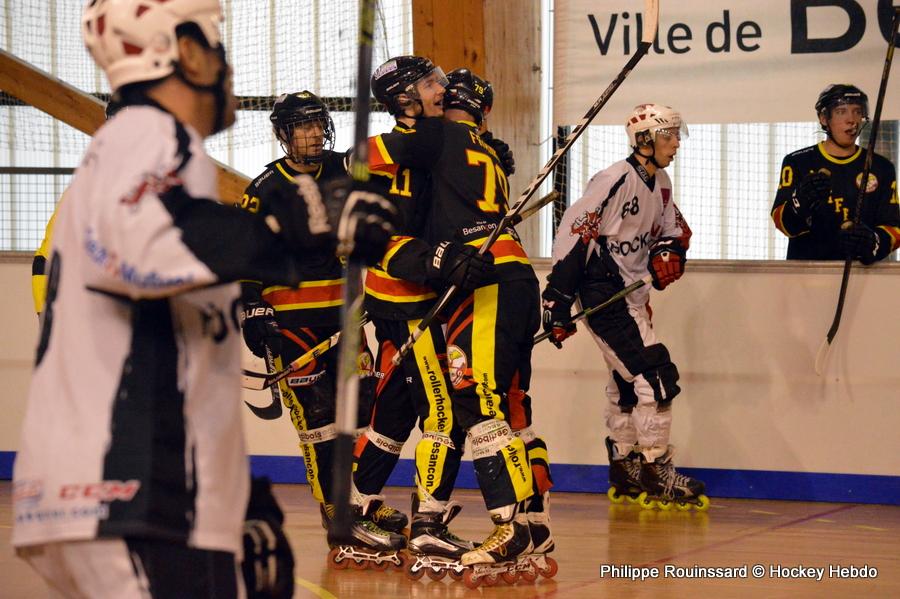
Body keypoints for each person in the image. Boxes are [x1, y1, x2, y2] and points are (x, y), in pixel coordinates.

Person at [11, 1, 395, 597]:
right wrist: (292, 223)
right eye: (214, 43)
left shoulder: (164, 156)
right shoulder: (142, 140)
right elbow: (156, 242)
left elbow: (185, 265)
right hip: (122, 485)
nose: (226, 66)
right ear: (181, 54)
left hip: (155, 483)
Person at [368, 63, 543, 581]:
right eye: (430, 86)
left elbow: (357, 163)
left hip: (485, 279)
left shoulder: (432, 134)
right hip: (486, 278)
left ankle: (509, 526)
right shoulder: (476, 143)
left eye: (445, 87)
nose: (440, 91)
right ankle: (520, 525)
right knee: (481, 404)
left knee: (471, 401)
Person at [238, 91, 406, 550]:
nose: (313, 134)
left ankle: (362, 499)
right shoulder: (265, 189)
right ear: (283, 134)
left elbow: (401, 181)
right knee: (320, 418)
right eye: (302, 127)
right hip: (293, 323)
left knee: (367, 407)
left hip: (346, 316)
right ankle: (336, 509)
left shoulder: (345, 169)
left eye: (318, 124)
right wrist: (252, 309)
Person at [348, 56, 491, 574]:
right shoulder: (391, 157)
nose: (443, 86)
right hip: (405, 303)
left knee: (395, 412)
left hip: (422, 299)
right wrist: (439, 260)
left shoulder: (435, 146)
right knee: (444, 413)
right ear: (404, 100)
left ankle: (357, 508)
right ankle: (428, 526)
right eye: (431, 83)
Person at [543, 103, 708, 511]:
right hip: (603, 291)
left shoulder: (662, 181)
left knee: (626, 379)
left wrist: (669, 252)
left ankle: (625, 462)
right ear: (645, 140)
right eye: (668, 135)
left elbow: (673, 230)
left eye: (675, 134)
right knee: (655, 373)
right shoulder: (614, 179)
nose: (675, 144)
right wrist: (558, 301)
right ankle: (656, 466)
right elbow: (575, 233)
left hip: (633, 295)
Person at [771, 84, 900, 262]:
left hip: (864, 277)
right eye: (841, 111)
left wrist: (873, 241)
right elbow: (783, 225)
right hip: (804, 275)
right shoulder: (797, 162)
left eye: (857, 111)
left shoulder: (881, 167)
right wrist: (800, 201)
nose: (851, 120)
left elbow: (894, 227)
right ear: (824, 118)